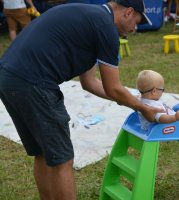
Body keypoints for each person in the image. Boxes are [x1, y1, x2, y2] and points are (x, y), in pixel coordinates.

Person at [0, 0, 163, 199]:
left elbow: (90, 83)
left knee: (43, 153)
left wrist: (130, 100)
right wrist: (141, 107)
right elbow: (113, 88)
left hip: (8, 78)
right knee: (62, 159)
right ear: (128, 12)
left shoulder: (92, 20)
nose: (134, 28)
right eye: (136, 22)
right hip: (35, 83)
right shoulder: (105, 27)